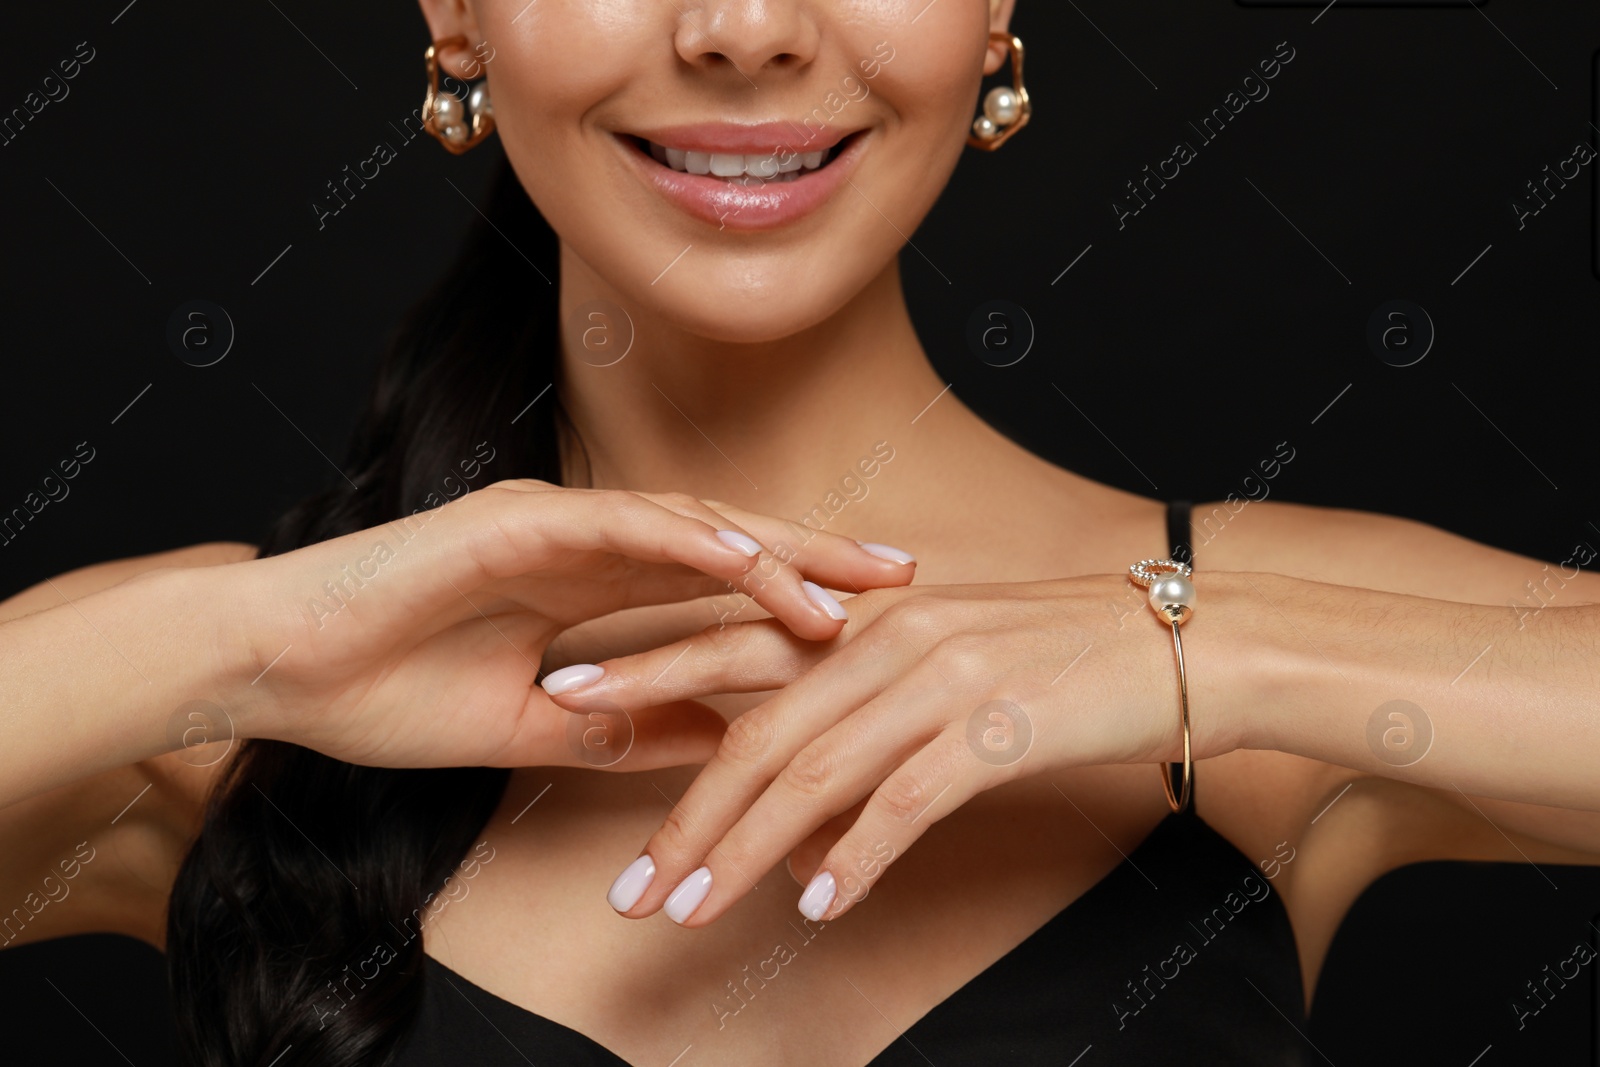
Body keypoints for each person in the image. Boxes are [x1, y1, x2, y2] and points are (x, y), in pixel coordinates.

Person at [3, 2, 1598, 1064]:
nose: (746, 30)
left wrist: (1191, 641)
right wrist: (241, 643)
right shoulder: (214, 700)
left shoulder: (1269, 642)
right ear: (455, 11)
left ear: (993, 8)